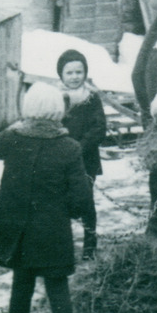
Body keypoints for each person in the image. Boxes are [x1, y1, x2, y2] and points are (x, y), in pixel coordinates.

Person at [0, 82, 94, 313]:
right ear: (58, 110)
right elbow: (80, 198)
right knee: (58, 289)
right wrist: (75, 211)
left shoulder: (13, 138)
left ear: (27, 108)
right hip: (53, 233)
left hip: (19, 232)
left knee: (21, 286)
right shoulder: (70, 148)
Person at [56, 49, 106, 259]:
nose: (75, 77)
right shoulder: (55, 98)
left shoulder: (91, 98)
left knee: (86, 201)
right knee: (59, 202)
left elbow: (98, 128)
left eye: (79, 72)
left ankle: (90, 244)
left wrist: (78, 147)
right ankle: (62, 244)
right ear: (61, 75)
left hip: (85, 160)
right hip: (59, 160)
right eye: (70, 73)